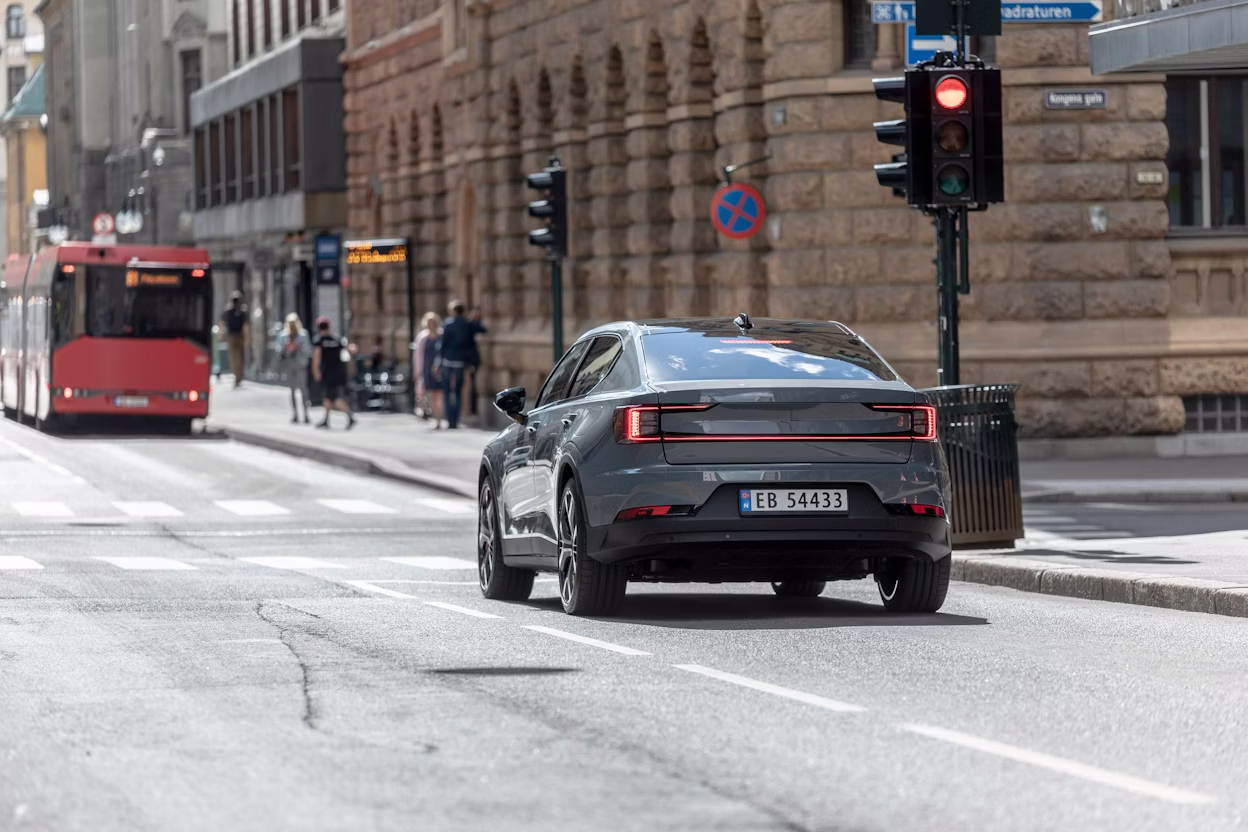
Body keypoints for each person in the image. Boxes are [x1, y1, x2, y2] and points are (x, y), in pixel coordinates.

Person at [439, 300, 487, 430]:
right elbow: (483, 330)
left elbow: (443, 345)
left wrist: (439, 362)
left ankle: (450, 420)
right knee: (459, 391)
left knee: (448, 391)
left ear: (453, 312)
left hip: (448, 362)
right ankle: (457, 418)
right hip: (461, 362)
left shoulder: (448, 325)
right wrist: (476, 318)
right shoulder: (467, 324)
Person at [311, 316, 356, 430]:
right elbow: (349, 349)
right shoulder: (336, 339)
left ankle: (350, 416)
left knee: (334, 398)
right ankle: (326, 419)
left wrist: (316, 372)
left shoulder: (319, 341)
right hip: (338, 373)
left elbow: (316, 358)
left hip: (327, 373)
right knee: (328, 397)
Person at [277, 313, 312, 424]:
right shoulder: (283, 336)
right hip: (289, 364)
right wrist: (286, 347)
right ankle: (295, 414)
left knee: (303, 389)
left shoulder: (303, 335)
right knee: (292, 390)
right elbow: (278, 351)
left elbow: (308, 350)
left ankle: (306, 414)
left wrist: (298, 345)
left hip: (300, 364)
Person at [413, 312, 443, 429]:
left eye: (433, 322)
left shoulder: (442, 335)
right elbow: (418, 356)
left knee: (439, 395)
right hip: (427, 370)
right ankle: (436, 417)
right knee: (431, 395)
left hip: (440, 371)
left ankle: (439, 418)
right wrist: (417, 371)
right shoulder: (422, 338)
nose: (431, 325)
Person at [219, 291, 250, 387]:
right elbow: (245, 326)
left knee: (233, 357)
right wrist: (247, 338)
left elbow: (222, 324)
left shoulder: (228, 310)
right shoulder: (242, 311)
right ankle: (239, 376)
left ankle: (237, 375)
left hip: (231, 336)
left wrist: (221, 335)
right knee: (240, 357)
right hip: (239, 336)